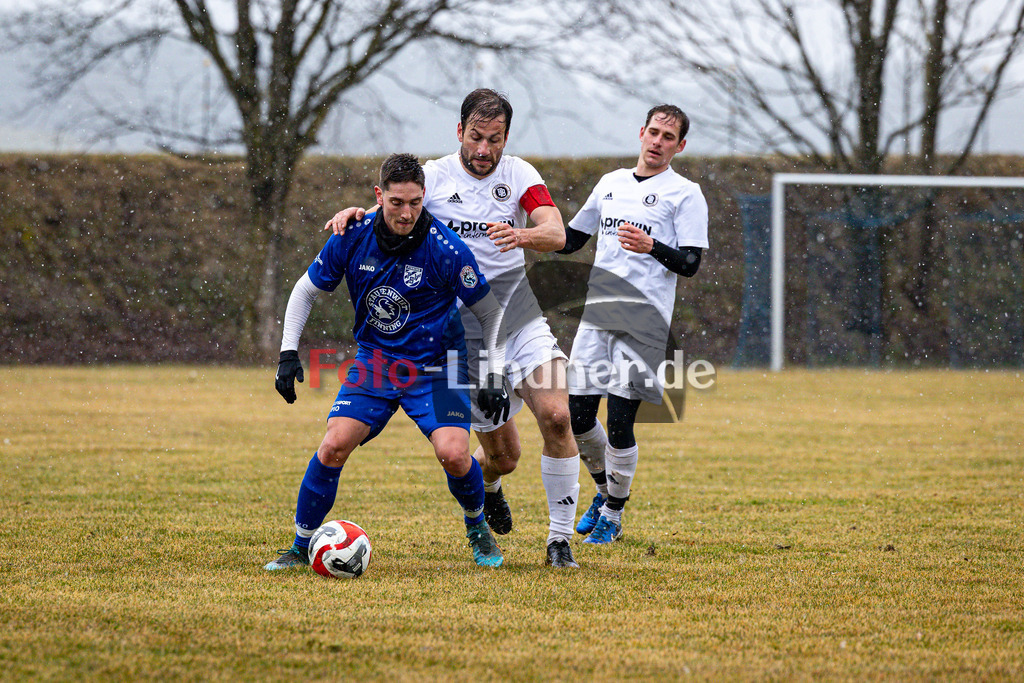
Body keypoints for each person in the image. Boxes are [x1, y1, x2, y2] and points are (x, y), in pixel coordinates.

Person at [324, 89, 580, 568]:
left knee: (558, 416)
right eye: (477, 138)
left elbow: (557, 232)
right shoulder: (435, 177)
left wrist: (522, 234)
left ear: (506, 138)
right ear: (460, 132)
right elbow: (387, 212)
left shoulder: (520, 175)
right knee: (503, 456)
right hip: (462, 333)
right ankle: (489, 485)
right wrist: (349, 214)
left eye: (496, 140)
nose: (485, 150)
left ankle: (559, 540)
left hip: (519, 316)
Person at [266, 153, 511, 570]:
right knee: (332, 447)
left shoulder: (447, 248)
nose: (407, 212)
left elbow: (489, 312)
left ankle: (476, 527)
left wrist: (493, 374)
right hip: (376, 362)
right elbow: (305, 290)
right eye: (397, 202)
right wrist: (289, 352)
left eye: (415, 202)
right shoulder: (351, 234)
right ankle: (298, 546)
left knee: (454, 454)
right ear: (379, 196)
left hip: (439, 366)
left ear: (424, 197)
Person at [557, 104, 709, 544]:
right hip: (598, 315)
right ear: (641, 133)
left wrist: (652, 245)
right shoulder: (610, 183)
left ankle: (614, 515)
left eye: (669, 137)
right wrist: (523, 235)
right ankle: (606, 492)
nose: (658, 142)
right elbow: (573, 239)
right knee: (578, 415)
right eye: (654, 132)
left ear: (679, 146)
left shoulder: (685, 193)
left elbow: (691, 263)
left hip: (643, 322)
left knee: (621, 421)